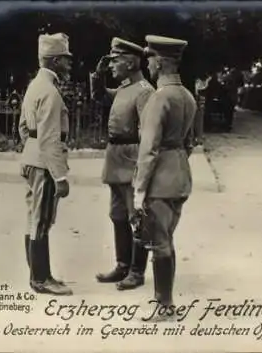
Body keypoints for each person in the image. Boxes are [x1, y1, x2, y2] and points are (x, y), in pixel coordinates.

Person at [133, 34, 197, 321]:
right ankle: (166, 303)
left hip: (159, 180)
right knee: (167, 238)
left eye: (150, 58)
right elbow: (191, 143)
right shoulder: (187, 96)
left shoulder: (160, 98)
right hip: (180, 175)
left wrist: (139, 189)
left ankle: (165, 306)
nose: (148, 63)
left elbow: (148, 149)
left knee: (159, 242)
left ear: (160, 62)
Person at [90, 38, 155, 290]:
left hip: (131, 157)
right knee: (118, 215)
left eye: (115, 61)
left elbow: (148, 133)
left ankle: (137, 272)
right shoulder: (126, 87)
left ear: (130, 62)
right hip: (116, 155)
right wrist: (97, 74)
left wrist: (143, 166)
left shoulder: (144, 91)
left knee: (136, 216)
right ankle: (122, 265)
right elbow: (99, 97)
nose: (111, 66)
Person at [18, 33, 73, 295]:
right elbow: (51, 138)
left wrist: (30, 152)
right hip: (44, 164)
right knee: (41, 219)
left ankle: (38, 274)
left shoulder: (34, 86)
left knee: (34, 217)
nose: (69, 64)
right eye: (65, 59)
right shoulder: (49, 91)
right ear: (54, 61)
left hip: (33, 159)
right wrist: (60, 176)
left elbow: (23, 128)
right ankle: (40, 279)